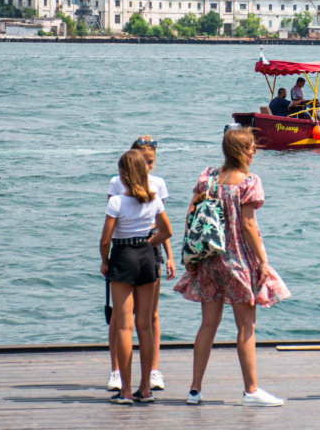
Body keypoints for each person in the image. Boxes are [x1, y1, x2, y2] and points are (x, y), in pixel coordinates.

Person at [174, 128, 291, 407]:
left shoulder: (208, 178)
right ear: (240, 150)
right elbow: (248, 224)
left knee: (208, 325)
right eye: (251, 147)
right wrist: (263, 261)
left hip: (208, 259)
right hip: (237, 260)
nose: (255, 151)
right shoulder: (249, 182)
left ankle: (194, 391)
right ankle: (251, 391)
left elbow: (191, 214)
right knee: (246, 326)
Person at [100, 150, 173, 404]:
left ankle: (126, 390)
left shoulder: (116, 202)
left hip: (123, 256)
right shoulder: (154, 200)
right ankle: (146, 389)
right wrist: (146, 244)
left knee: (124, 326)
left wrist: (105, 260)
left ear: (123, 175)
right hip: (147, 256)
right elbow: (166, 231)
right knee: (145, 325)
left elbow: (106, 239)